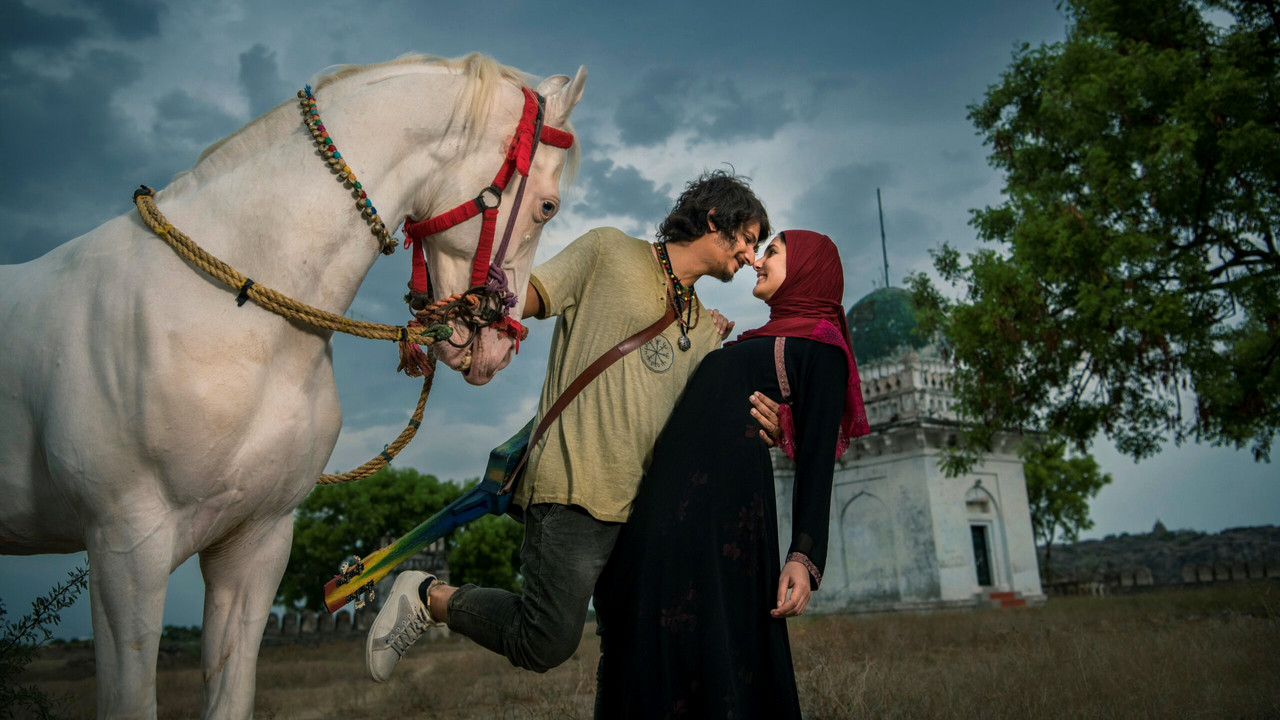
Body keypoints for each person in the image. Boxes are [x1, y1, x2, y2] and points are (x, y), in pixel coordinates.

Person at [366, 170, 780, 682]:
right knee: (545, 640)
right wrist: (464, 313)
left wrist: (768, 421)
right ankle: (429, 597)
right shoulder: (609, 250)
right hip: (574, 486)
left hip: (645, 513)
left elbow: (700, 425)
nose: (752, 256)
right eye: (749, 239)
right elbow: (528, 297)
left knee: (635, 647)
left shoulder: (701, 325)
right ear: (715, 219)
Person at [594, 230, 870, 718]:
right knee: (651, 631)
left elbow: (816, 458)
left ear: (808, 268)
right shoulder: (762, 339)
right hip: (669, 508)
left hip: (722, 518)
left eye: (774, 252)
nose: (759, 261)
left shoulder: (821, 346)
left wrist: (804, 557)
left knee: (718, 644)